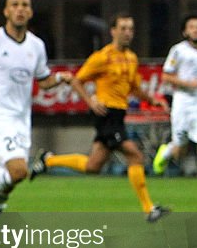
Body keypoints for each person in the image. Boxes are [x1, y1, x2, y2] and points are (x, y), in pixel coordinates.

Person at [29, 14, 171, 222]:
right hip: (106, 114)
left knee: (93, 166)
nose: (127, 33)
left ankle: (48, 160)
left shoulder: (131, 58)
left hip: (118, 115)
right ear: (113, 31)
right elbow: (77, 80)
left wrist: (152, 100)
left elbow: (134, 88)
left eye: (130, 29)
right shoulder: (102, 57)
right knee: (135, 155)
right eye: (123, 28)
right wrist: (90, 101)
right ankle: (149, 208)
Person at [0, 0, 73, 236]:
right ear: (6, 11)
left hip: (22, 119)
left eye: (25, 5)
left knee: (9, 183)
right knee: (19, 171)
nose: (20, 9)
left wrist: (60, 79)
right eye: (15, 5)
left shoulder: (36, 45)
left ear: (30, 12)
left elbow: (43, 81)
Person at [152, 15, 197, 206]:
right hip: (183, 105)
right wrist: (186, 83)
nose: (195, 30)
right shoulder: (178, 51)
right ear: (185, 31)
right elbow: (166, 76)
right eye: (191, 27)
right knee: (180, 150)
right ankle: (166, 152)